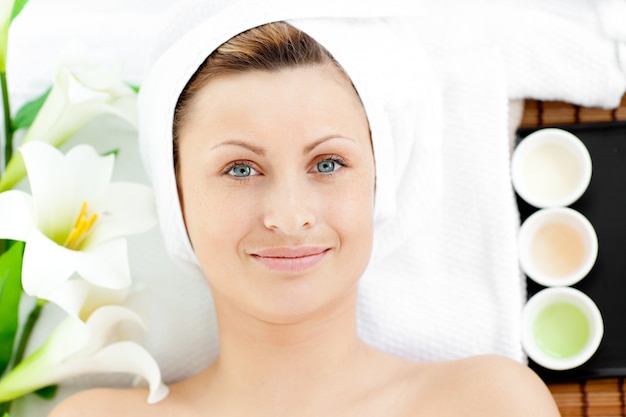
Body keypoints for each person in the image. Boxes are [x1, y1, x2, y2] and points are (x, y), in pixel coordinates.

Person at [50, 11, 560, 417]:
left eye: (328, 163)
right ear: (175, 194)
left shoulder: (487, 404)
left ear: (378, 186)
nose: (289, 217)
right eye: (240, 169)